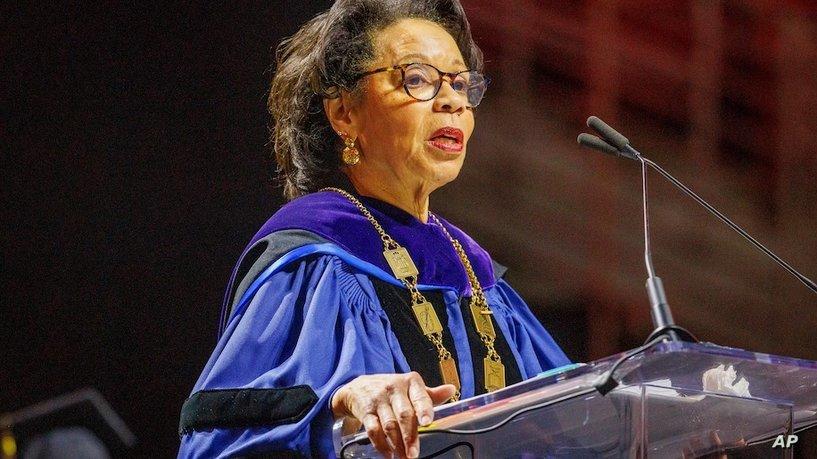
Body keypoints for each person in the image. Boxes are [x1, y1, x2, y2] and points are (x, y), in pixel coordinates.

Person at [178, 1, 569, 457]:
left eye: (461, 84)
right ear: (344, 113)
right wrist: (337, 409)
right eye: (417, 79)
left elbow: (577, 415)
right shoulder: (314, 259)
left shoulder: (476, 275)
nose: (453, 101)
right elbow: (217, 439)